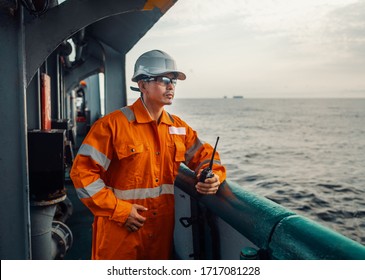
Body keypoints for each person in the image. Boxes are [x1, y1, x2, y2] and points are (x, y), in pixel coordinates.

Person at [70, 49, 226, 260]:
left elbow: (205, 156)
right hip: (120, 231)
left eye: (173, 81)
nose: (171, 86)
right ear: (142, 85)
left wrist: (213, 175)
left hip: (160, 233)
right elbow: (82, 175)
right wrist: (120, 211)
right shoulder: (112, 125)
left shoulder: (178, 128)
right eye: (163, 80)